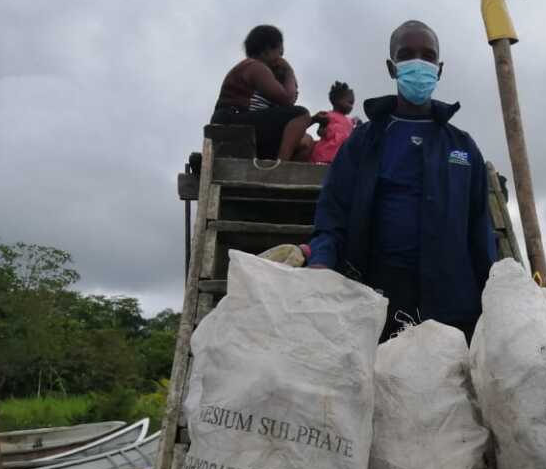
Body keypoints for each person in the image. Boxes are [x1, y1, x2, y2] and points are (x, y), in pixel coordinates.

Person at [306, 20, 496, 342]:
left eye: (428, 55)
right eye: (407, 55)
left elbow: (480, 228)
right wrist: (321, 262)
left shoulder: (463, 147)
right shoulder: (363, 141)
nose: (418, 63)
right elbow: (333, 213)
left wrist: (495, 293)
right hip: (378, 303)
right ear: (392, 67)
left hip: (453, 306)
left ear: (439, 68)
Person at [210, 25, 318, 161]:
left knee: (306, 141)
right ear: (267, 50)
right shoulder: (255, 66)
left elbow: (286, 115)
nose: (281, 58)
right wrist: (289, 70)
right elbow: (288, 100)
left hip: (243, 125)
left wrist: (313, 120)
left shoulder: (259, 73)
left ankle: (278, 175)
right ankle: (280, 166)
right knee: (301, 113)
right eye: (280, 52)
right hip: (232, 121)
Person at [310, 81, 358, 165]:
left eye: (352, 104)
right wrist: (324, 131)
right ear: (337, 100)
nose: (351, 107)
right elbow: (320, 131)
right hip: (327, 152)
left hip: (343, 154)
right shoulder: (328, 115)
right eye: (349, 102)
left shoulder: (349, 120)